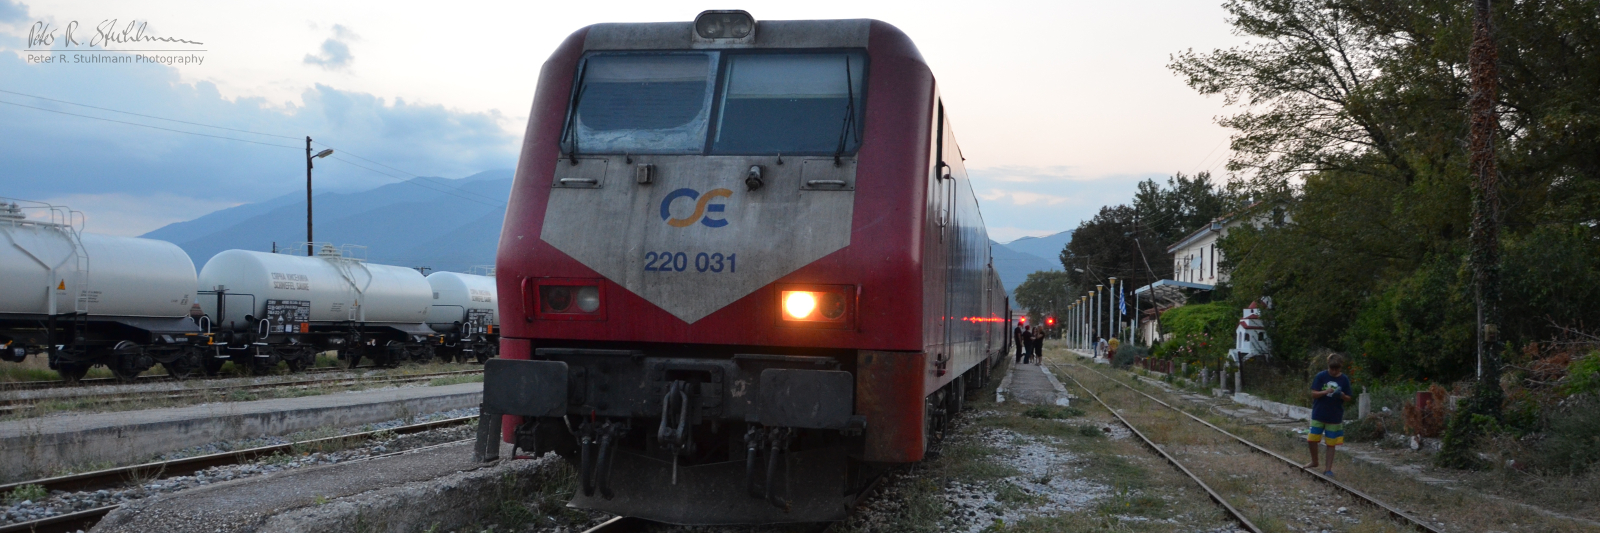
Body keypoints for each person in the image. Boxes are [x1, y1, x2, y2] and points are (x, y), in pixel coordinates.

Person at [1306, 353, 1354, 477]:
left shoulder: (1344, 379)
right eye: (1331, 368)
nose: (1333, 371)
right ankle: (1314, 461)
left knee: (1331, 443)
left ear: (1340, 368)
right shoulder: (1321, 376)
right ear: (1328, 366)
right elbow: (1314, 393)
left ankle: (1328, 469)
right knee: (1312, 439)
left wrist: (1342, 395)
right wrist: (1325, 392)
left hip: (1335, 416)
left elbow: (1349, 397)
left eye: (1336, 369)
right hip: (1319, 413)